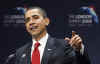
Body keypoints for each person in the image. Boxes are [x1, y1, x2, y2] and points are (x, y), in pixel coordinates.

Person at [5, 6, 90, 64]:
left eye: (35, 17)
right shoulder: (20, 53)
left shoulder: (64, 46)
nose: (31, 22)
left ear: (46, 21)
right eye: (27, 20)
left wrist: (79, 50)